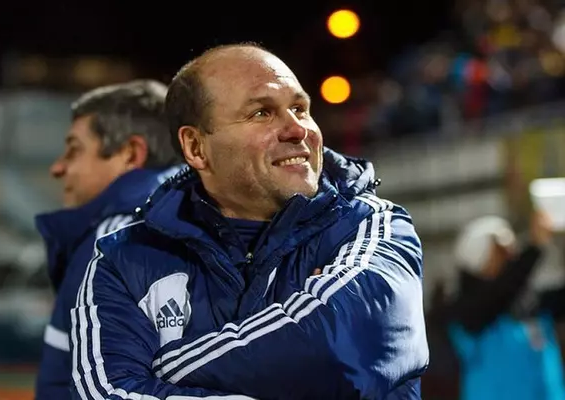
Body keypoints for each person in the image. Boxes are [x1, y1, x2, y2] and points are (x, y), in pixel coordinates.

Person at [70, 43, 429, 400]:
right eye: (262, 113)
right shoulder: (124, 261)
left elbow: (341, 349)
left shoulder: (372, 226)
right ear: (196, 147)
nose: (297, 130)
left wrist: (166, 372)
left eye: (300, 109)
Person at [34, 80, 184, 400]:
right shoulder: (210, 222)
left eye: (74, 150)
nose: (58, 168)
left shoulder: (111, 242)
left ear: (131, 154)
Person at [443, 212, 565, 400]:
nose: (512, 258)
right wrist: (534, 248)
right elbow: (498, 294)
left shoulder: (530, 305)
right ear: (478, 258)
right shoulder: (468, 313)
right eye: (501, 251)